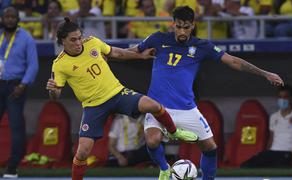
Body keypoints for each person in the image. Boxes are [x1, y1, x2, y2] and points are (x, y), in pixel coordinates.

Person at [128, 6, 284, 180]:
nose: (182, 31)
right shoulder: (157, 39)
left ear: (193, 25)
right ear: (172, 24)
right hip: (158, 107)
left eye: (186, 27)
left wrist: (265, 73)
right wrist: (105, 52)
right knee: (152, 140)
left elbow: (233, 61)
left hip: (186, 109)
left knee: (210, 148)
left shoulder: (201, 46)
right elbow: (132, 52)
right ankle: (165, 169)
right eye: (178, 26)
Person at [46, 17, 198, 180]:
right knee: (82, 151)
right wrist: (53, 90)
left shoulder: (92, 42)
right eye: (73, 40)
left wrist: (140, 56)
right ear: (63, 41)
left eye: (80, 37)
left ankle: (174, 132)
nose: (78, 43)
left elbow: (116, 52)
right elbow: (56, 96)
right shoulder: (59, 64)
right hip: (93, 106)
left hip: (118, 93)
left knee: (153, 105)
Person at [0, 6, 39, 178]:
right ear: (2, 18)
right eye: (6, 16)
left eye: (12, 16)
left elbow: (33, 65)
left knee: (16, 127)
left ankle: (13, 166)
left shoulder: (26, 38)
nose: (9, 19)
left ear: (18, 19)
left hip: (15, 87)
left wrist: (23, 85)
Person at [241, 85, 292, 168]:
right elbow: (271, 138)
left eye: (285, 97)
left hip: (289, 154)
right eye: (280, 97)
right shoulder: (274, 117)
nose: (282, 100)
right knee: (246, 166)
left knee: (277, 167)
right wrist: (267, 152)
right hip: (273, 153)